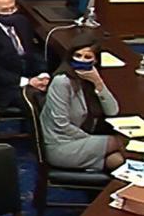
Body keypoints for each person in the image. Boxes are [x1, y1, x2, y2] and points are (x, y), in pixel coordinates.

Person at [39, 36, 124, 171]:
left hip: (80, 139)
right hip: (61, 145)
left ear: (95, 60)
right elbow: (61, 124)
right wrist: (90, 140)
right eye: (77, 55)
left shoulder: (90, 80)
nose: (81, 60)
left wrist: (98, 83)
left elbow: (113, 111)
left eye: (87, 57)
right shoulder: (62, 82)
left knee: (118, 159)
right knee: (124, 142)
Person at [0, 0, 49, 108]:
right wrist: (26, 81)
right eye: (4, 10)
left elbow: (33, 51)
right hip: (7, 87)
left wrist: (43, 73)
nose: (11, 13)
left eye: (13, 8)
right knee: (39, 101)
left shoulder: (22, 22)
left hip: (29, 73)